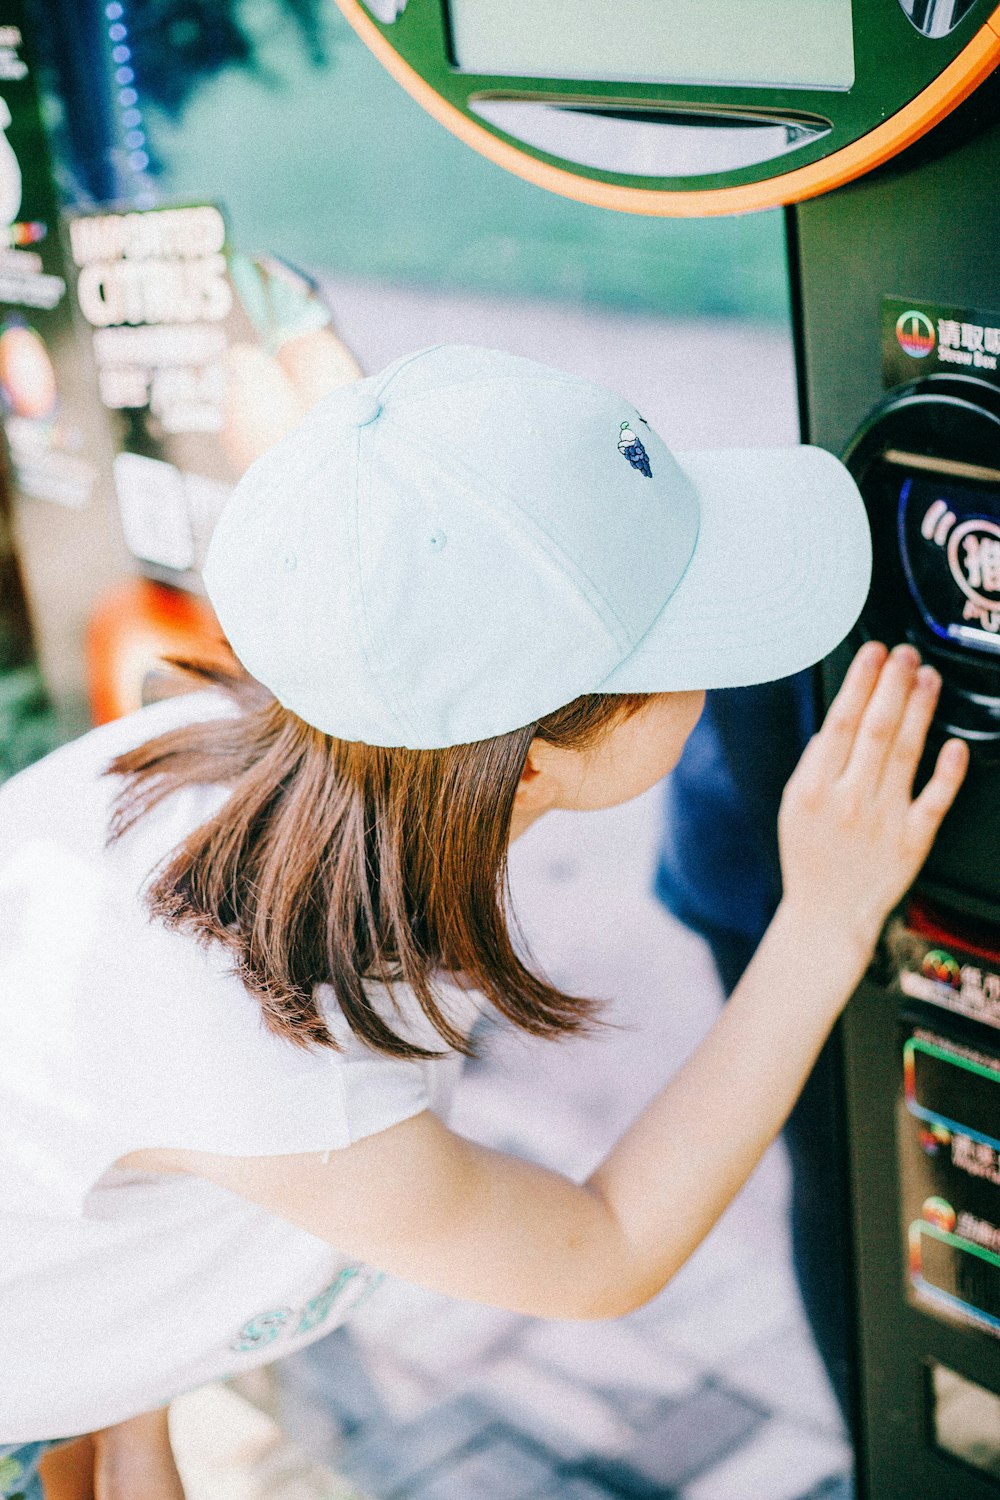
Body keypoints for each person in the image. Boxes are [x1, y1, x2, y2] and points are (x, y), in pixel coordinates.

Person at [0, 346, 968, 1500]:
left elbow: (70, 1148)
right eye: (686, 648)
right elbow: (600, 1251)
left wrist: (130, 1408)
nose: (716, 686)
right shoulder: (273, 1055)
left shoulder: (212, 761)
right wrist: (821, 920)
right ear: (527, 764)